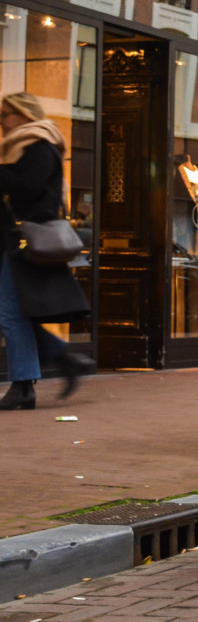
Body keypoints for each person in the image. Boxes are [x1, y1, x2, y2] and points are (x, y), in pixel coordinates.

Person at [0, 91, 94, 410]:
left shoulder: (39, 145)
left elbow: (27, 188)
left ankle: (24, 386)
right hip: (13, 240)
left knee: (11, 314)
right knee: (14, 313)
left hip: (26, 240)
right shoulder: (20, 147)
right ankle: (64, 358)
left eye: (6, 115)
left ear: (24, 115)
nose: (2, 121)